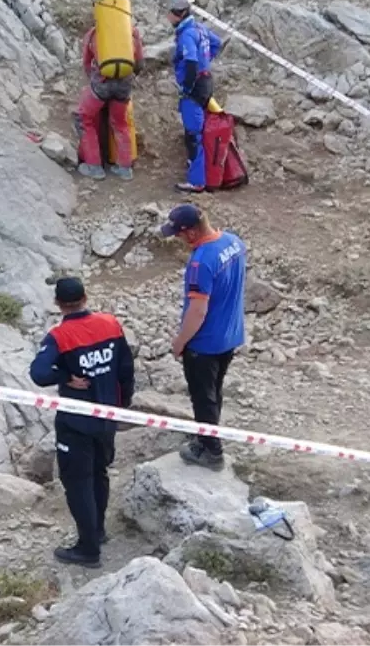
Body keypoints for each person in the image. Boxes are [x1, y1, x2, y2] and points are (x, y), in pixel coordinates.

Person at [30, 277, 135, 568]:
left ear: (58, 304)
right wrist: (124, 403)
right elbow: (126, 367)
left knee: (78, 482)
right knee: (99, 472)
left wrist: (64, 377)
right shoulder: (111, 324)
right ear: (85, 297)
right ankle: (98, 532)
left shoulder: (59, 337)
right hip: (107, 415)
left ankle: (88, 549)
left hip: (76, 421)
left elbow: (38, 373)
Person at [160, 204, 246, 468]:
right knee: (214, 390)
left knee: (202, 397)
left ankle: (211, 451)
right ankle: (208, 433)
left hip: (204, 343)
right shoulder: (233, 242)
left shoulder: (201, 262)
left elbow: (198, 310)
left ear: (190, 233)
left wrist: (180, 342)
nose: (177, 238)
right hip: (229, 335)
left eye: (178, 234)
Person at [76, 7, 145, 181]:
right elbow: (139, 64)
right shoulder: (133, 33)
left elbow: (86, 62)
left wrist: (95, 80)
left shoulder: (94, 34)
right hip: (123, 87)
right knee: (120, 124)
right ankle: (124, 168)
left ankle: (94, 166)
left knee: (84, 118)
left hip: (101, 86)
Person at [168, 0, 224, 193]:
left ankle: (197, 181)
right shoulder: (199, 28)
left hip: (195, 87)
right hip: (206, 82)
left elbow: (190, 61)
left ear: (178, 13)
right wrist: (206, 61)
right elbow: (216, 42)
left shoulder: (187, 35)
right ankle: (197, 168)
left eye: (169, 13)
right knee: (195, 131)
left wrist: (188, 85)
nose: (167, 17)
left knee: (193, 134)